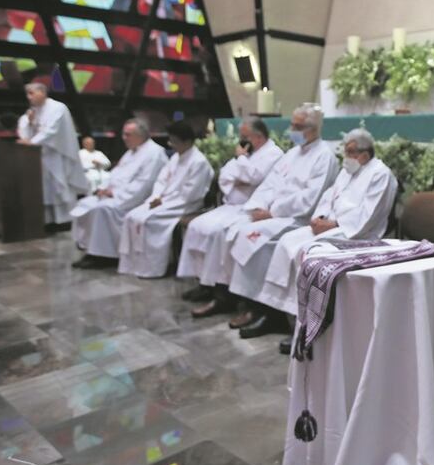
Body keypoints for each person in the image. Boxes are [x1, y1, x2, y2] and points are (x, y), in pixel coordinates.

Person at [191, 105, 338, 336]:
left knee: (249, 239)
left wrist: (273, 211)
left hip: (295, 218)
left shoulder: (324, 157)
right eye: (292, 125)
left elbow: (311, 197)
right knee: (229, 229)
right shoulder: (292, 154)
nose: (291, 130)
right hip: (272, 214)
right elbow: (270, 184)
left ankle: (263, 311)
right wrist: (259, 206)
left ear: (312, 129)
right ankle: (230, 297)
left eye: (296, 127)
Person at [247, 128, 398, 341]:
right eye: (346, 151)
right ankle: (279, 313)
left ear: (365, 153)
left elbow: (368, 215)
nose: (347, 157)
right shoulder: (348, 171)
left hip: (356, 234)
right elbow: (329, 197)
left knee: (304, 252)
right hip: (332, 226)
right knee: (286, 241)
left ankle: (310, 321)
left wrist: (333, 224)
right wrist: (319, 217)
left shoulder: (380, 174)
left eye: (351, 152)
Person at [176, 116, 283, 302]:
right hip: (231, 205)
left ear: (257, 137)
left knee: (218, 232)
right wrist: (239, 175)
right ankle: (203, 282)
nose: (241, 141)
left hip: (247, 208)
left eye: (245, 136)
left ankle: (220, 290)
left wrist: (241, 164)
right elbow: (226, 175)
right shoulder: (250, 153)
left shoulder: (274, 154)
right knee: (197, 226)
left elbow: (254, 177)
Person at [117, 121, 213, 279]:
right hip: (163, 200)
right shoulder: (176, 157)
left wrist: (164, 201)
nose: (171, 145)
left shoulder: (199, 162)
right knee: (131, 216)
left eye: (174, 141)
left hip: (184, 205)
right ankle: (134, 265)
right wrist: (156, 197)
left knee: (148, 220)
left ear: (187, 142)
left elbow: (191, 194)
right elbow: (161, 181)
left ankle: (153, 268)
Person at [70, 119, 167, 269]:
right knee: (85, 203)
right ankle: (89, 248)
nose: (124, 137)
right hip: (115, 194)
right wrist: (103, 188)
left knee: (102, 209)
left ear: (140, 135)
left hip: (133, 200)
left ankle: (102, 256)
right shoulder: (131, 152)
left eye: (128, 134)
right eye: (123, 134)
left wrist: (114, 193)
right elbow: (115, 173)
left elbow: (144, 185)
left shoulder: (154, 153)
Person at [16, 83, 88, 230]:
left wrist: (32, 142)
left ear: (42, 92)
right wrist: (30, 123)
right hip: (39, 157)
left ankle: (65, 221)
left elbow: (51, 131)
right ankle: (48, 221)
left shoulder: (57, 108)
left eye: (32, 93)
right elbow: (24, 130)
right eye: (27, 94)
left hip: (56, 154)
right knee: (45, 190)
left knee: (59, 186)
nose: (29, 97)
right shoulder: (33, 111)